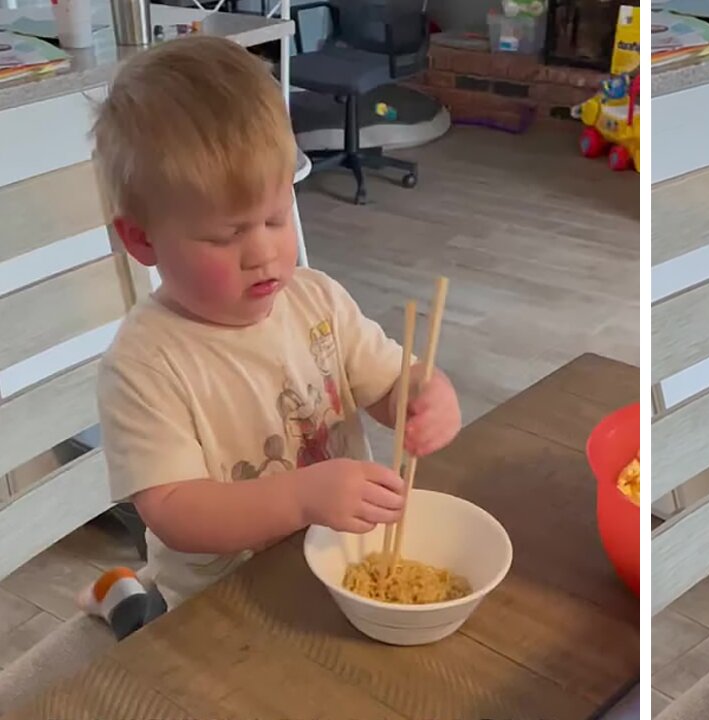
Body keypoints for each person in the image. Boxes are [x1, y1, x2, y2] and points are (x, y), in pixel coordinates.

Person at [0, 36, 460, 711]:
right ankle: (126, 596)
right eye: (224, 236)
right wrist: (303, 497)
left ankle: (126, 591)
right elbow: (178, 513)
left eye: (276, 217)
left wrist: (425, 397)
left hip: (337, 573)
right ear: (143, 239)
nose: (264, 253)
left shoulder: (317, 300)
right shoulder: (144, 363)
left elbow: (389, 382)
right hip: (218, 606)